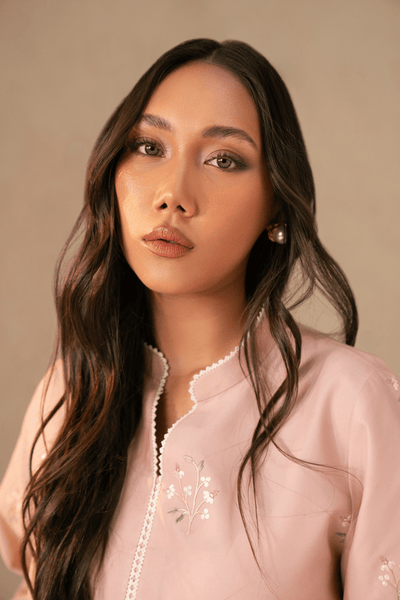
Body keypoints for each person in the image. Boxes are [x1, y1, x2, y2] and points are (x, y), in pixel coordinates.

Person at [0, 38, 399, 600]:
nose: (173, 195)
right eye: (149, 147)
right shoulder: (71, 389)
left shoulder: (351, 404)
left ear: (276, 205)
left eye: (223, 160)